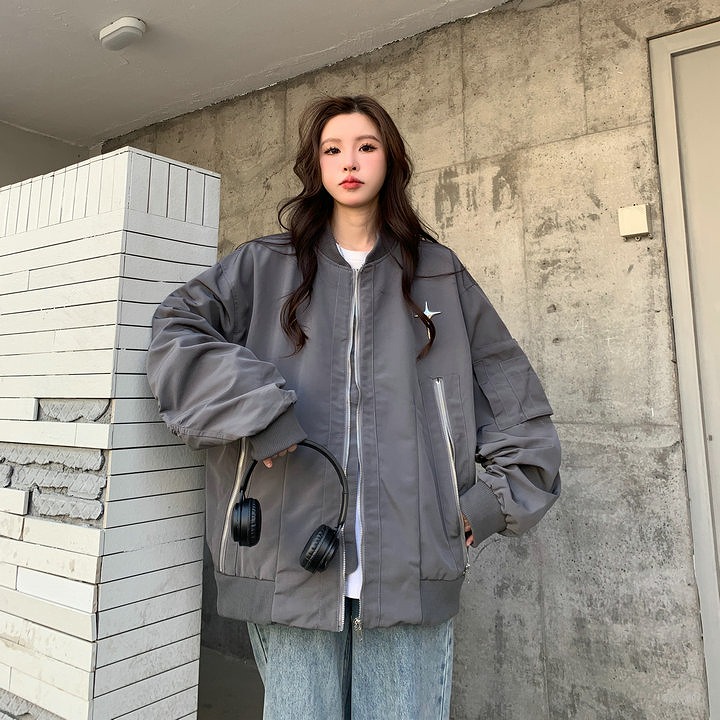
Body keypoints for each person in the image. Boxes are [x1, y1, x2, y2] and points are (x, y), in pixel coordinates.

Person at [147, 95, 561, 720]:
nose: (349, 161)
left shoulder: (439, 273)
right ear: (315, 166)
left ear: (389, 159)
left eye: (366, 146)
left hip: (412, 561)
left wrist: (484, 507)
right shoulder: (264, 267)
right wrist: (260, 413)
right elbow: (177, 332)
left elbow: (516, 400)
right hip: (287, 552)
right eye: (332, 149)